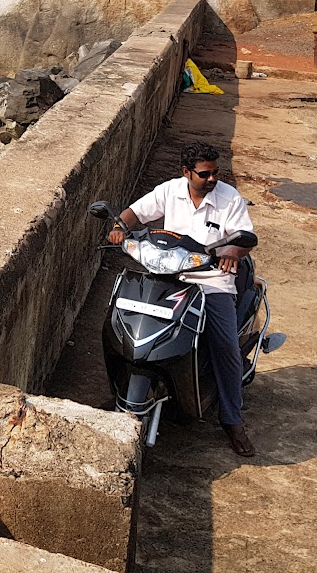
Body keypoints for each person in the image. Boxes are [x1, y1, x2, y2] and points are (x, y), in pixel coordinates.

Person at [106, 140, 259, 457]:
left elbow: (243, 238)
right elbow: (136, 212)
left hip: (211, 280)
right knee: (121, 318)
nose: (212, 179)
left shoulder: (229, 199)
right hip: (169, 273)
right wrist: (120, 226)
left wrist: (232, 252)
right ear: (186, 172)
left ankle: (232, 419)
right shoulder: (170, 190)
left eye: (215, 173)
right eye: (205, 174)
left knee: (225, 346)